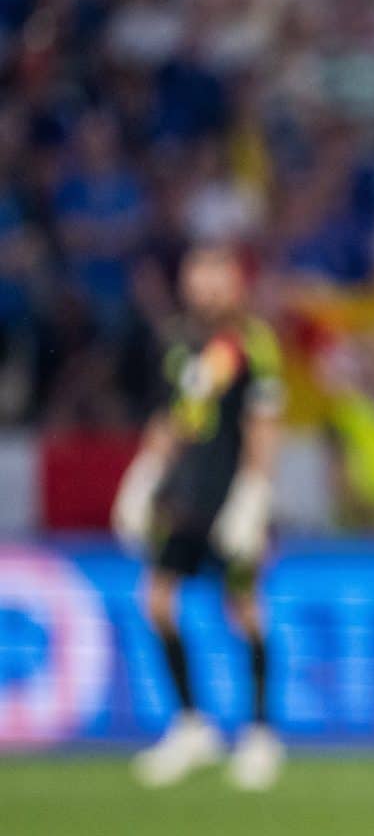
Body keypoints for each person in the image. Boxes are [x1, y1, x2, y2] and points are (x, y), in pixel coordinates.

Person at [114, 245, 285, 790]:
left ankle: (260, 734)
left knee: (244, 608)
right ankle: (192, 724)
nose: (208, 289)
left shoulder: (252, 345)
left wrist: (254, 494)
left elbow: (263, 423)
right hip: (184, 497)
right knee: (158, 602)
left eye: (218, 278)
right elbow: (172, 418)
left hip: (230, 494)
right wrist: (143, 474)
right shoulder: (179, 346)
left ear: (237, 285)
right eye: (199, 277)